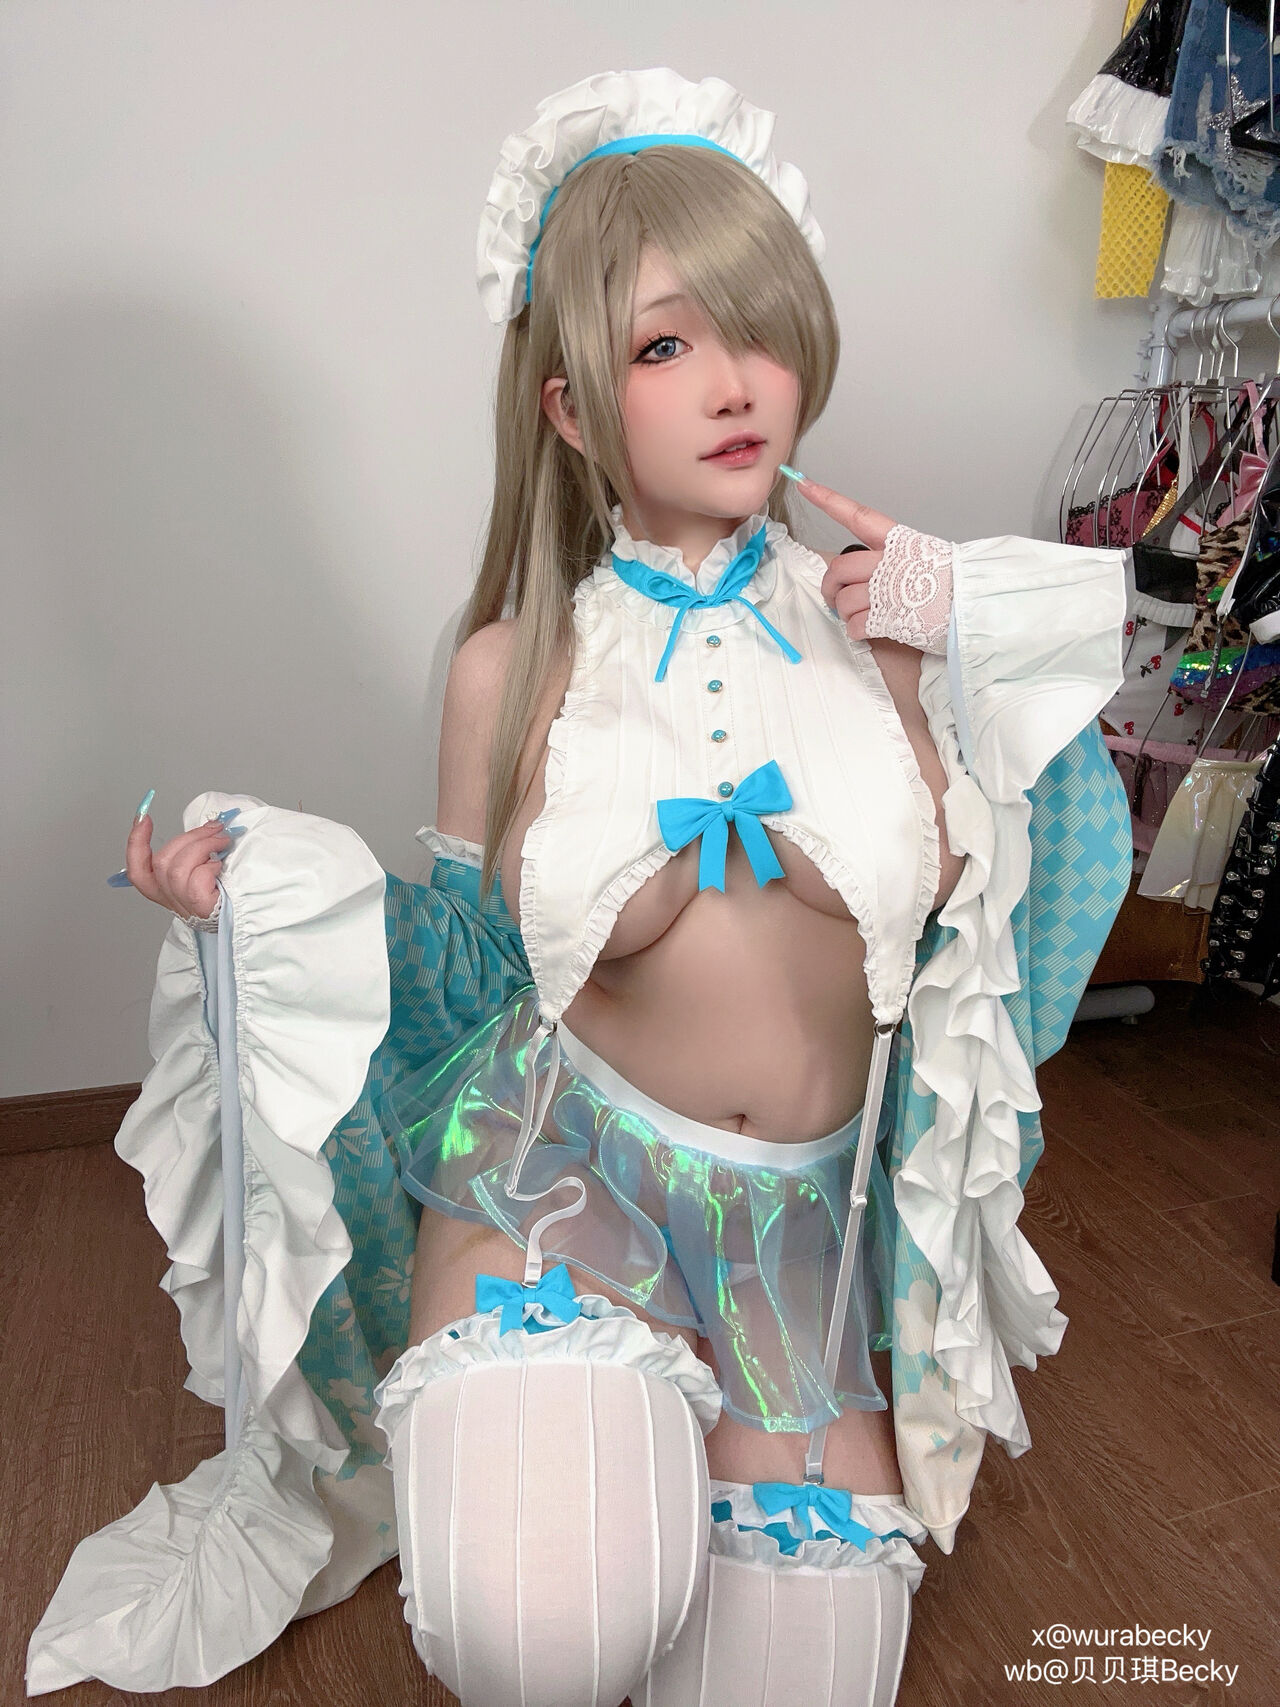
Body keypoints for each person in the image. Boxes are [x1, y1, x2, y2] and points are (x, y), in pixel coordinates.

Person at [29, 67, 1132, 1707]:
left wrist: (962, 643)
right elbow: (469, 972)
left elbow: (1012, 922)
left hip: (803, 1241)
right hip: (563, 1184)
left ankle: (684, 1431)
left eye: (758, 330)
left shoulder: (889, 630)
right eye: (663, 346)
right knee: (541, 1637)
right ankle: (581, 1428)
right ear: (567, 407)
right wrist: (257, 910)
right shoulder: (514, 667)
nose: (734, 383)